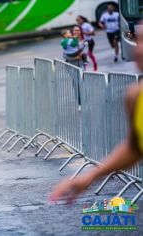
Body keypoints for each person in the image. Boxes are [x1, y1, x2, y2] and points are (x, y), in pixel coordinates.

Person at [49, 24, 143, 204]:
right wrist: (89, 177)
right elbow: (134, 148)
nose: (137, 49)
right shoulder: (135, 96)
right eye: (137, 40)